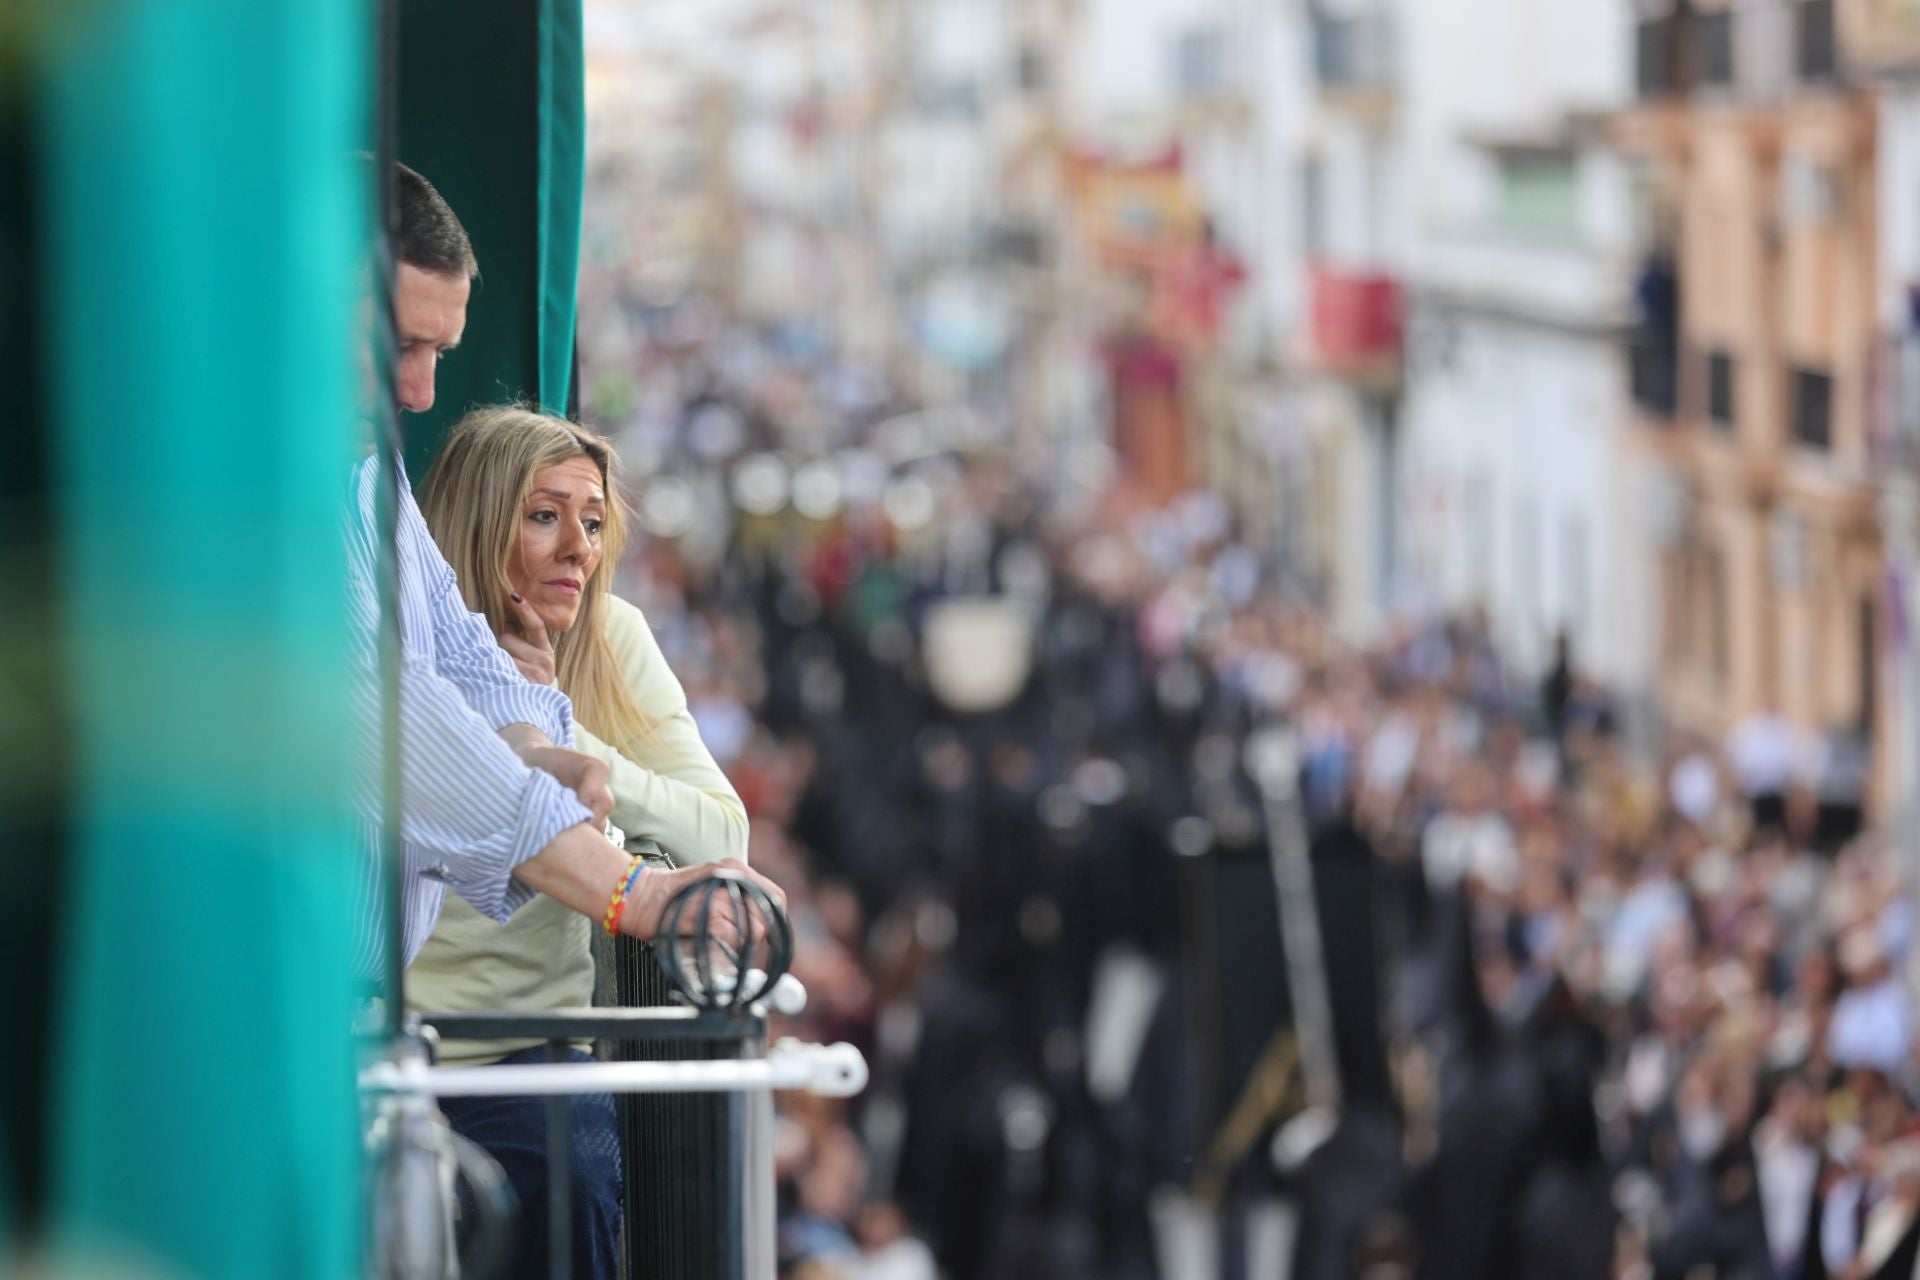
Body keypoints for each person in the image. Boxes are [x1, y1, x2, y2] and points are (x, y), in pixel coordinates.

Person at [347, 162, 779, 973]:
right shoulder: (276, 473)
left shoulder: (367, 462)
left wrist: (544, 745)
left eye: (594, 522)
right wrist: (639, 895)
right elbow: (402, 714)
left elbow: (460, 661)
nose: (418, 390)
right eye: (401, 345)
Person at [405, 405, 751, 1277]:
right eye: (545, 515)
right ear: (478, 518)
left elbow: (722, 826)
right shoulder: (404, 640)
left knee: (573, 1188)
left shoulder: (612, 635)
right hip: (386, 1042)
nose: (578, 549)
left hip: (528, 1054)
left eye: (593, 522)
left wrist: (561, 735)